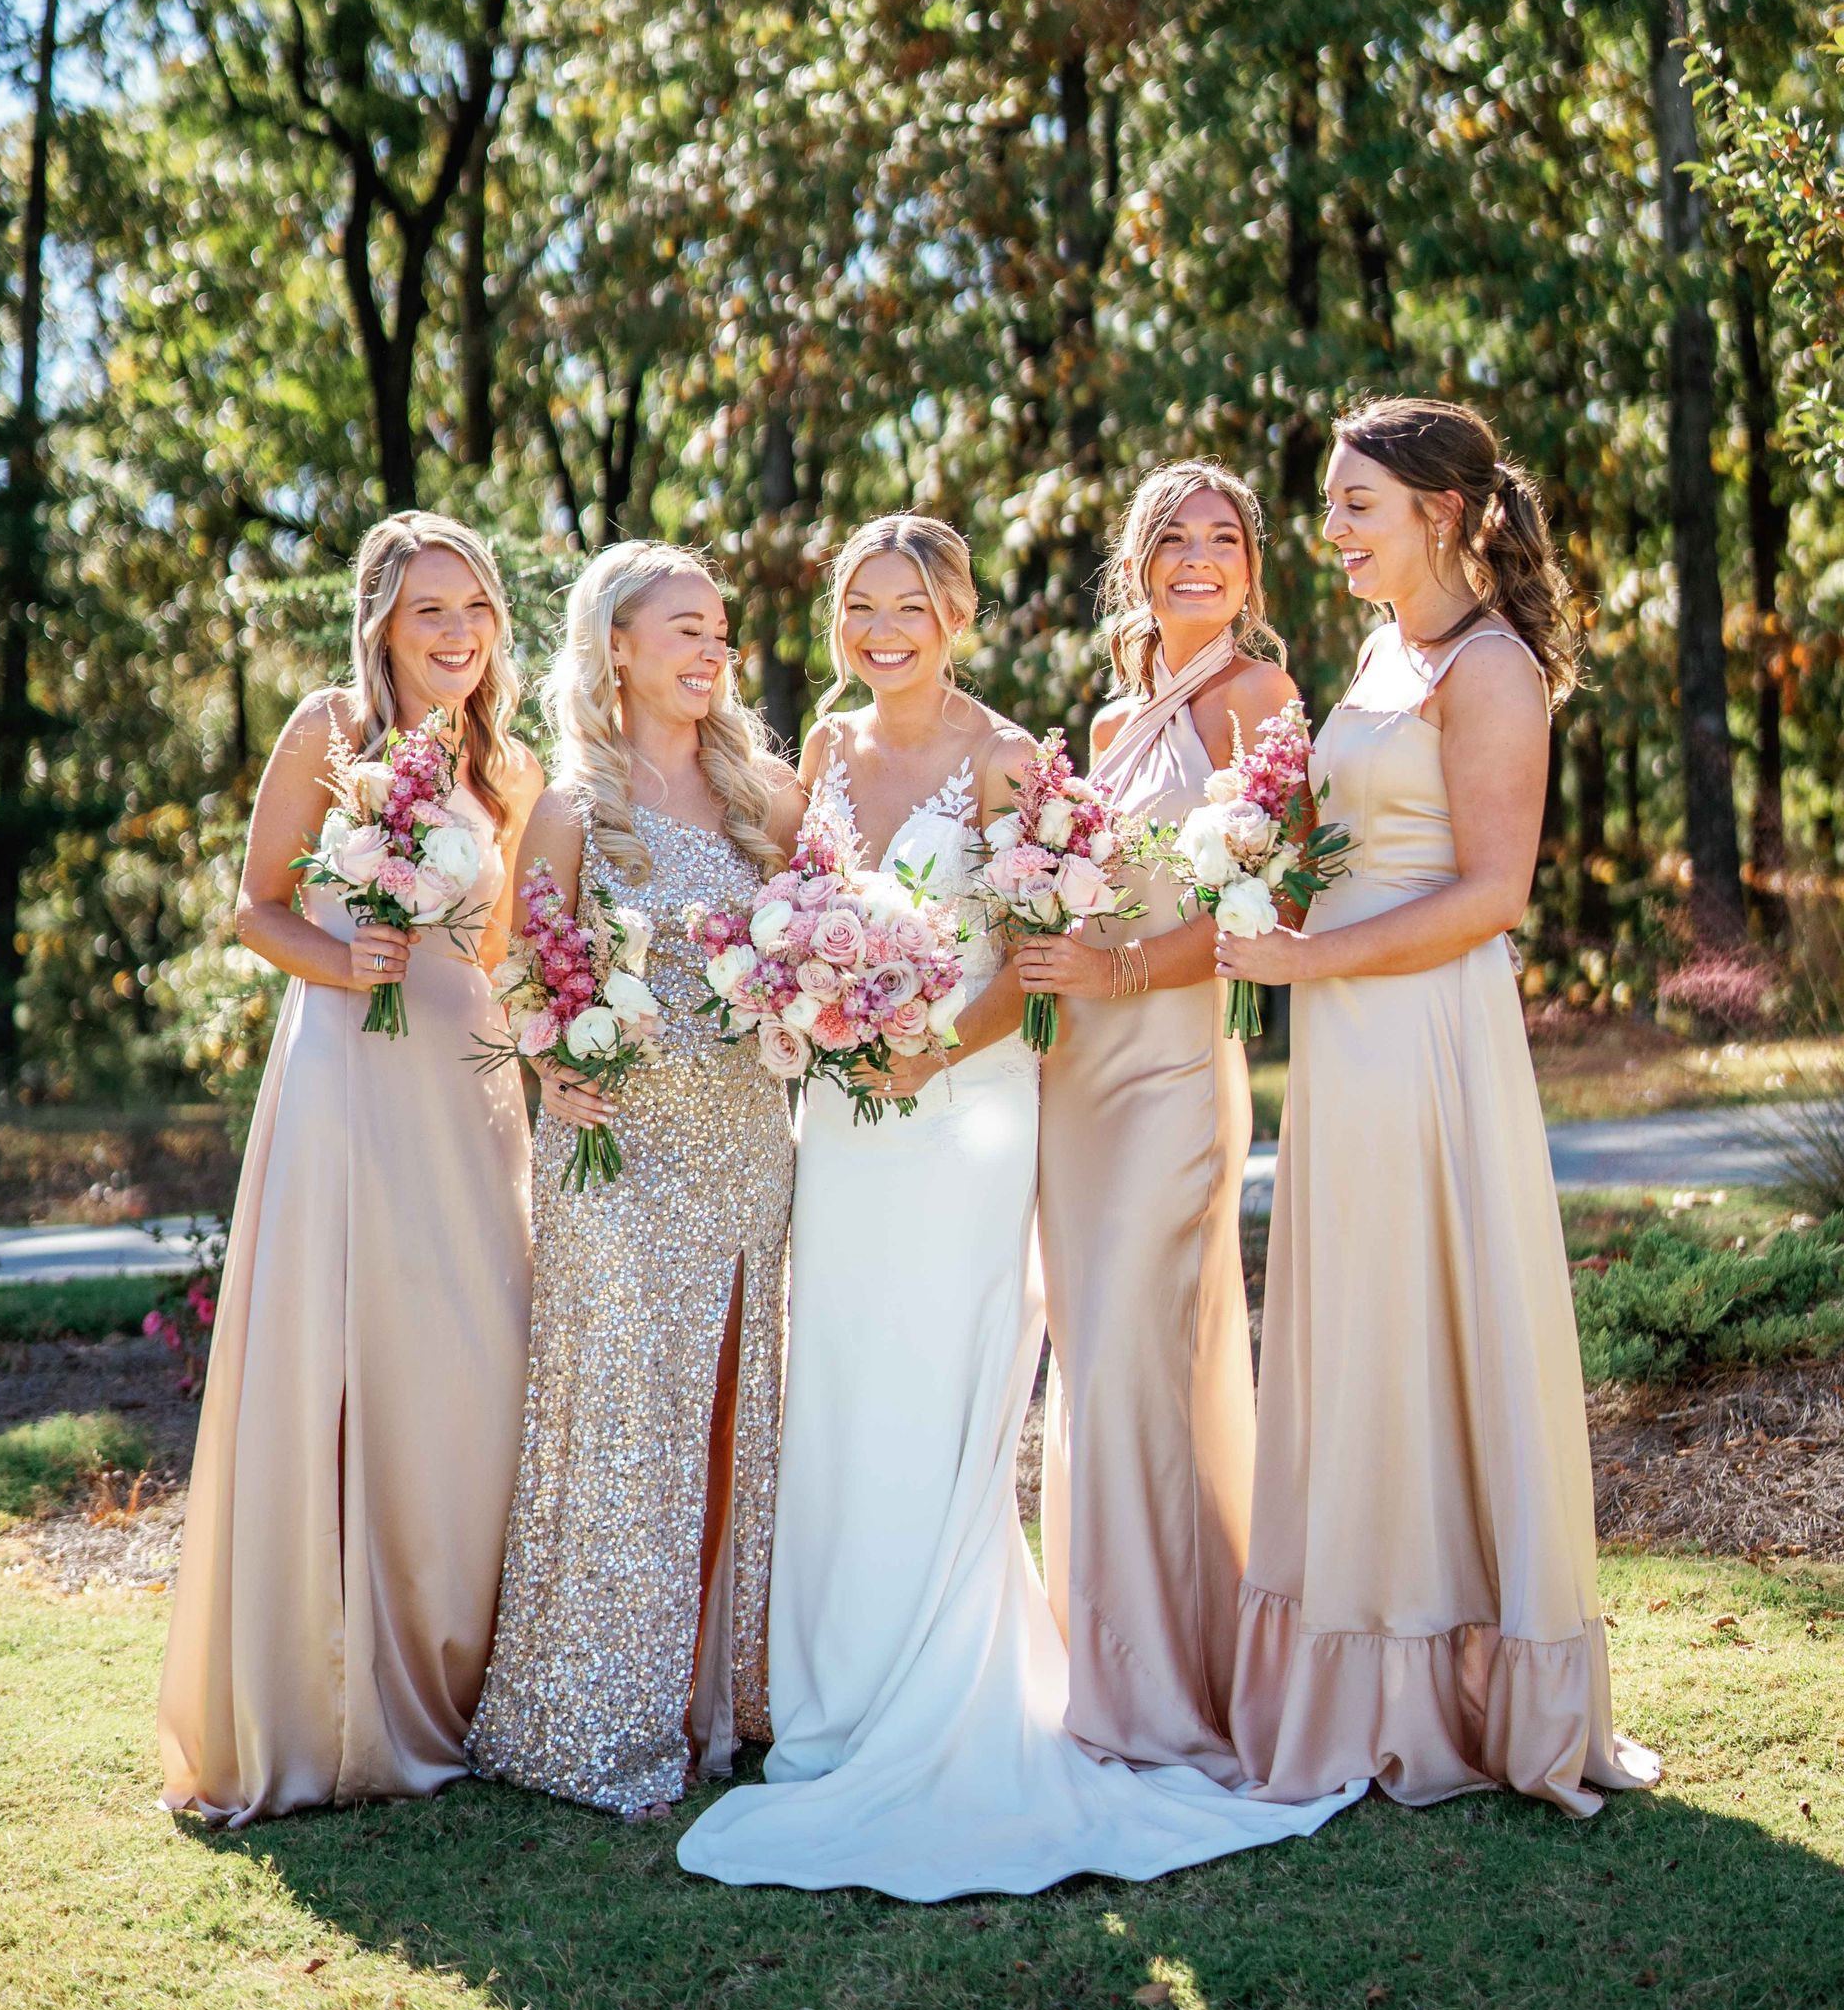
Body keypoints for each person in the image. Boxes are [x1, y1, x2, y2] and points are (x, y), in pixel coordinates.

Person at [678, 514, 1356, 1898]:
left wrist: (935, 1040)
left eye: (909, 602)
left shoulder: (1009, 759)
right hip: (848, 1123)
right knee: (849, 1382)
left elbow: (1039, 952)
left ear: (959, 615)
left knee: (944, 1387)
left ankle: (947, 1684)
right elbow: (799, 907)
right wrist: (815, 1003)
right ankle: (841, 1697)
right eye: (860, 604)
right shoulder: (822, 749)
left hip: (969, 1111)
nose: (882, 627)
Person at [1215, 399, 1661, 1817]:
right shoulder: (1379, 649)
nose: (1332, 530)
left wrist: (1307, 958)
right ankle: (1360, 1665)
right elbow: (1340, 839)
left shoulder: (1491, 669)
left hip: (1423, 1034)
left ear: (1446, 513)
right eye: (1332, 505)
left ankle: (1452, 1685)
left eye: (1358, 506)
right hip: (1345, 1031)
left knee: (1428, 1318)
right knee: (1358, 1327)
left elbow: (1490, 895)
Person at [160, 512, 540, 1825]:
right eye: (431, 609)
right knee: (344, 1351)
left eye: (476, 610)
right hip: (343, 1074)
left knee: (473, 1358)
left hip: (469, 1083)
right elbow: (258, 903)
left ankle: (462, 1677)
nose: (456, 634)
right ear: (381, 617)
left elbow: (498, 945)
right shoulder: (330, 728)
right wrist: (346, 958)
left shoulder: (509, 766)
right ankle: (329, 1698)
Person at [466, 543, 806, 1817]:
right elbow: (517, 969)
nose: (712, 649)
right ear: (618, 645)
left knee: (729, 1390)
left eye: (720, 629)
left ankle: (715, 1699)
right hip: (614, 1145)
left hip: (740, 1134)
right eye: (685, 629)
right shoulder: (569, 803)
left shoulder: (759, 795)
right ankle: (594, 1705)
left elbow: (808, 943)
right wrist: (553, 1064)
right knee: (619, 1413)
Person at [1018, 461, 1294, 1772]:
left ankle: (1164, 1685)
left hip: (1177, 1072)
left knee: (1145, 1353)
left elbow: (1260, 917)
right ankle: (1108, 1652)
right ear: (1139, 562)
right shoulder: (1112, 718)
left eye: (1223, 538)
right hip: (1076, 1078)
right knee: (1099, 1365)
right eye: (1174, 538)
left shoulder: (1264, 700)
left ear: (1251, 564)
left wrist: (1118, 968)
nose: (1199, 558)